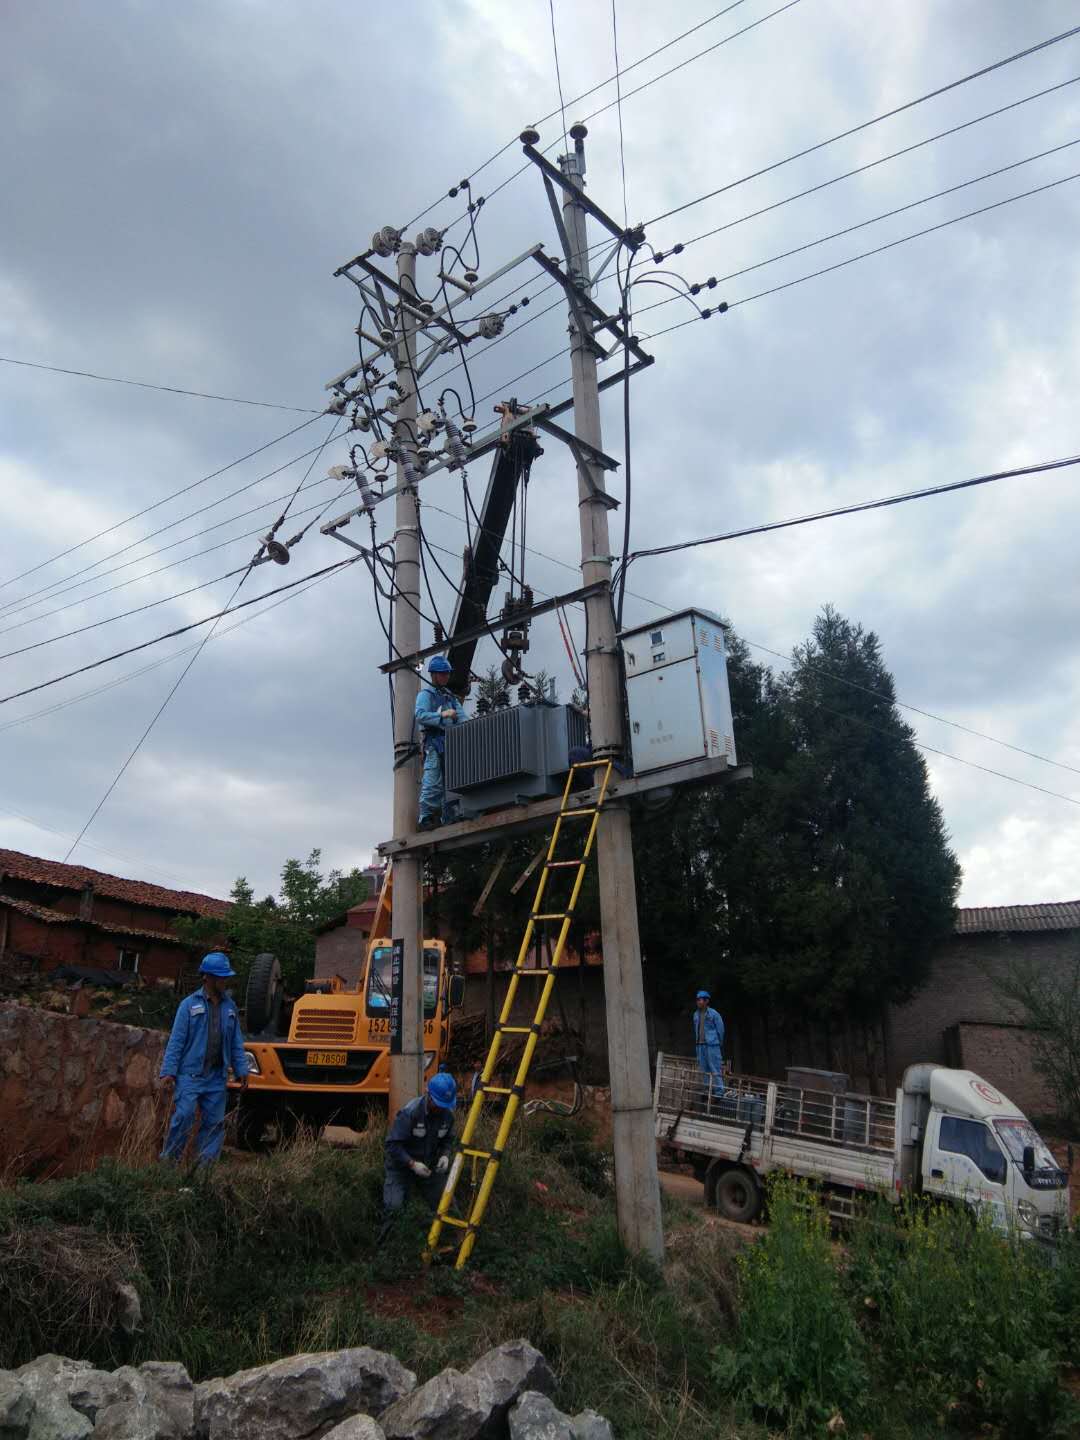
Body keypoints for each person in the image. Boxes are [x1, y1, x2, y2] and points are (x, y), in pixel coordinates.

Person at [159, 952, 251, 1164]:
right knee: (184, 1116)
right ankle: (168, 1167)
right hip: (190, 1075)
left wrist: (242, 1069)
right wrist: (168, 1072)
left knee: (214, 1125)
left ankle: (204, 1172)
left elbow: (236, 1042)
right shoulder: (188, 1005)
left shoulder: (230, 1007)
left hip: (216, 1077)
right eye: (221, 977)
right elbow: (176, 1041)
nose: (225, 981)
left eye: (226, 977)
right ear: (207, 977)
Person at [382, 1072, 458, 1219]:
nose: (441, 1108)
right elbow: (392, 1145)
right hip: (401, 1167)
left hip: (429, 1167)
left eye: (444, 1105)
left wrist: (445, 1155)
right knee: (394, 1208)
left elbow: (448, 1139)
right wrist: (412, 1164)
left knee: (448, 1206)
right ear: (429, 1095)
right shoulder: (411, 1113)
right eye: (438, 1104)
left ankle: (442, 1231)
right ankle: (390, 1232)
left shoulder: (447, 1115)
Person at [415, 656, 465, 829]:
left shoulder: (450, 698)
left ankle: (449, 815)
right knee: (433, 780)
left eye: (447, 674)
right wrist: (441, 715)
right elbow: (420, 715)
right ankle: (426, 817)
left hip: (451, 743)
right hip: (435, 743)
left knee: (453, 779)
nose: (446, 677)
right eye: (443, 674)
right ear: (434, 675)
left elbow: (463, 718)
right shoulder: (426, 695)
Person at [693, 990, 725, 1090]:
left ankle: (719, 1091)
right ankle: (707, 1090)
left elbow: (721, 1029)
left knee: (715, 1067)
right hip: (700, 1045)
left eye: (701, 1000)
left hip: (712, 1045)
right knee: (703, 1069)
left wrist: (718, 1042)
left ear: (706, 1001)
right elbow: (696, 1029)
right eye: (697, 1000)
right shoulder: (696, 1014)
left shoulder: (714, 1014)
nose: (698, 1002)